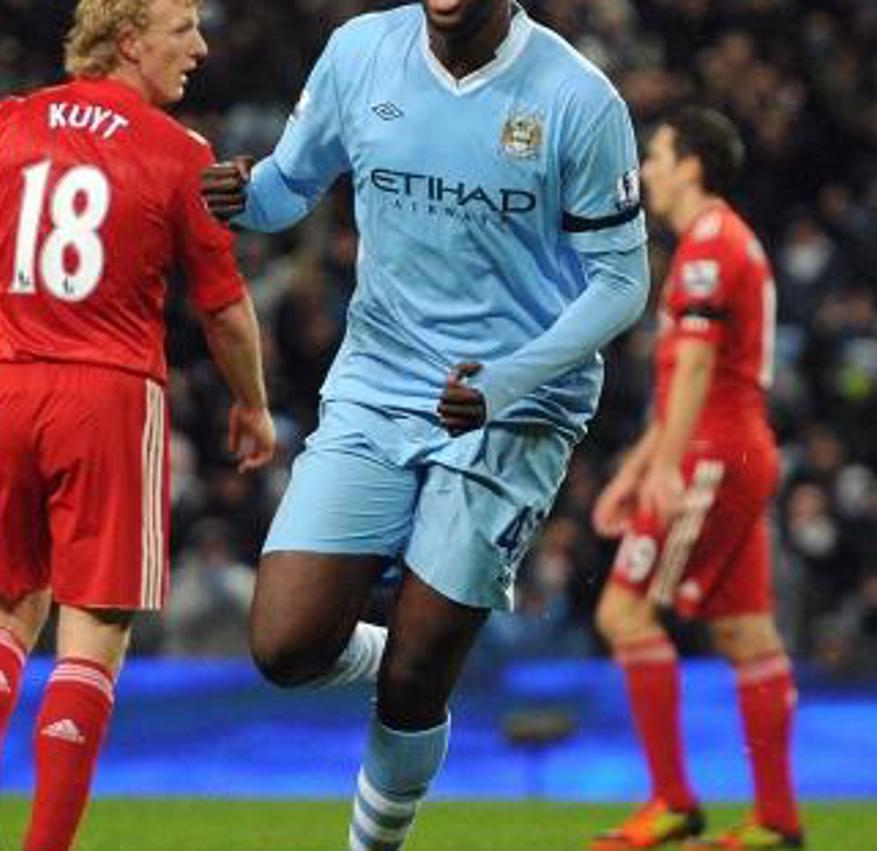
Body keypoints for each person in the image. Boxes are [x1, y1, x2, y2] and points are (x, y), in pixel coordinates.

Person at [202, 1, 648, 847]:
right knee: (284, 646)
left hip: (513, 408)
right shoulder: (359, 52)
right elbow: (289, 187)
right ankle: (409, 637)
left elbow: (621, 284)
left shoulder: (579, 99)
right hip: (378, 381)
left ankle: (374, 840)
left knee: (415, 679)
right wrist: (244, 195)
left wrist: (506, 382)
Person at [0, 0, 276, 849]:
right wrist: (252, 401)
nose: (200, 47)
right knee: (93, 635)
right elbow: (226, 308)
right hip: (109, 394)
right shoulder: (179, 154)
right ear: (130, 41)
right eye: (184, 30)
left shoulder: (10, 121)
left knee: (4, 611)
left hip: (9, 389)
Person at [588, 108, 802, 850]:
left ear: (692, 164)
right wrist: (638, 465)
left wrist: (669, 468)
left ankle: (673, 799)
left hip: (714, 453)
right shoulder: (713, 243)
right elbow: (688, 376)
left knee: (624, 614)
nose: (647, 169)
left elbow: (702, 371)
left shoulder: (710, 244)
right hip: (732, 446)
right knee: (746, 632)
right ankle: (776, 818)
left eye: (658, 155)